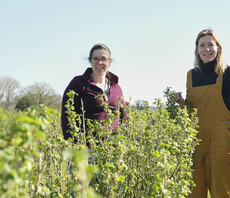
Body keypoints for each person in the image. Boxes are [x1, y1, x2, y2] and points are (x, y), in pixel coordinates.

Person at [174, 29, 230, 197]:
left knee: (222, 191)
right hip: (194, 144)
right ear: (197, 49)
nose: (207, 49)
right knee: (193, 190)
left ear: (218, 48)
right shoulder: (191, 75)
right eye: (202, 45)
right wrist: (181, 103)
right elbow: (191, 112)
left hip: (221, 143)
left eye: (210, 45)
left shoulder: (226, 73)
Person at [61, 43, 126, 143]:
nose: (99, 62)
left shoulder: (116, 88)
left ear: (109, 62)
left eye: (104, 59)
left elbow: (123, 117)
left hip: (113, 149)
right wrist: (74, 148)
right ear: (90, 61)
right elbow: (67, 118)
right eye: (95, 59)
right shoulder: (78, 83)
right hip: (87, 148)